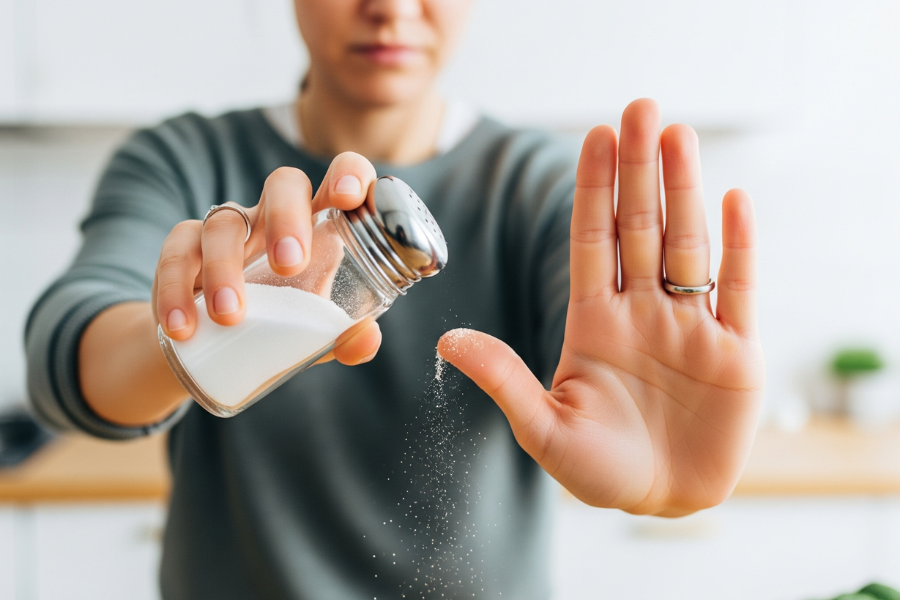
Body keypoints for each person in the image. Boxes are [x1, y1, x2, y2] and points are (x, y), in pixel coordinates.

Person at [24, 0, 764, 598]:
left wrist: (662, 473)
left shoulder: (540, 191)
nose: (390, 8)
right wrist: (191, 323)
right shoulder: (183, 160)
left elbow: (616, 375)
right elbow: (68, 354)